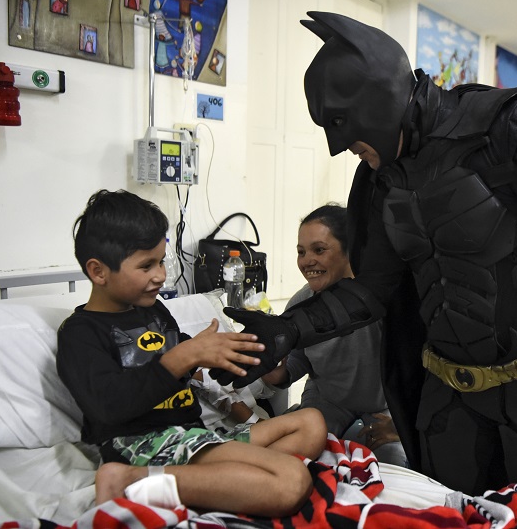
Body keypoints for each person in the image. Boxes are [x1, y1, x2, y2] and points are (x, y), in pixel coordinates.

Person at [210, 12, 517, 521]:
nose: (338, 144)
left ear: (379, 101)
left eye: (341, 123)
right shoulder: (380, 181)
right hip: (449, 395)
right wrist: (291, 329)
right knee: (447, 515)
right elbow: (373, 288)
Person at [56, 189, 327, 517]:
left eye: (161, 260)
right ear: (98, 272)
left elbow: (195, 369)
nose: (160, 275)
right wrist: (183, 357)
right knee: (290, 480)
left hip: (195, 437)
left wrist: (231, 353)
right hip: (141, 446)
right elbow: (108, 406)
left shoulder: (155, 313)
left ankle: (201, 483)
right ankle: (130, 479)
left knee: (311, 423)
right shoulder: (81, 333)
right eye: (146, 266)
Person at [262, 203, 408, 467]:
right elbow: (296, 365)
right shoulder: (300, 304)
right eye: (301, 252)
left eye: (319, 250)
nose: (307, 261)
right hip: (327, 400)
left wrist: (401, 426)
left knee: (393, 466)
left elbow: (417, 374)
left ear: (349, 250)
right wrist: (274, 369)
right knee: (296, 458)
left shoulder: (382, 303)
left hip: (383, 407)